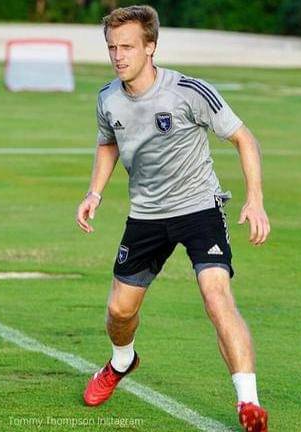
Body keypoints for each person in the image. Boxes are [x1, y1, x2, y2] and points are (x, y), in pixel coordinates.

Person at [75, 5, 271, 432]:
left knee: (216, 296)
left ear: (151, 47)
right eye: (112, 48)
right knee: (119, 312)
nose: (118, 56)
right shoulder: (107, 98)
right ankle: (122, 362)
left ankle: (249, 403)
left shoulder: (188, 91)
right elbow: (108, 142)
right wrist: (94, 193)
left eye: (127, 47)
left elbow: (244, 138)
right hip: (146, 215)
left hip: (199, 208)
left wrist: (254, 200)